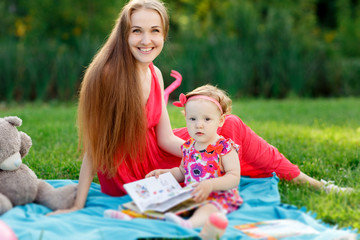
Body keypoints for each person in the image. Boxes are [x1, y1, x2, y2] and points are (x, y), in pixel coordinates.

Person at [50, 0, 351, 217]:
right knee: (232, 130)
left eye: (155, 31)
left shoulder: (152, 72)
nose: (146, 40)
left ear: (164, 35)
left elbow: (166, 138)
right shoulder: (110, 77)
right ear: (123, 35)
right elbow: (94, 147)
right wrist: (79, 203)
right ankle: (309, 182)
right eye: (136, 31)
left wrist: (205, 150)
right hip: (134, 173)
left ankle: (299, 178)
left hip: (155, 152)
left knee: (224, 133)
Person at [145, 85, 243, 237]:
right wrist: (165, 174)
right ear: (186, 118)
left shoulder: (224, 147)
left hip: (218, 196)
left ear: (221, 120)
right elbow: (183, 171)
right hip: (193, 195)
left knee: (209, 209)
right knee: (168, 202)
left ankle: (189, 224)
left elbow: (234, 177)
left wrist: (210, 184)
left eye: (207, 119)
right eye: (192, 119)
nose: (199, 124)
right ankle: (137, 216)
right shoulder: (189, 146)